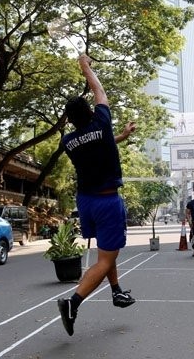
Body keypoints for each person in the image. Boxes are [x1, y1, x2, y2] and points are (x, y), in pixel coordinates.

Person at [57, 54, 137, 336]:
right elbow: (99, 91)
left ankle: (116, 291)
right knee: (105, 258)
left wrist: (121, 137)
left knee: (106, 248)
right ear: (91, 113)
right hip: (106, 201)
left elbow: (98, 144)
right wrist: (85, 66)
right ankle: (73, 303)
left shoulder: (68, 141)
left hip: (86, 202)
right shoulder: (101, 122)